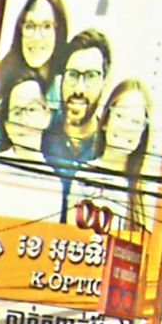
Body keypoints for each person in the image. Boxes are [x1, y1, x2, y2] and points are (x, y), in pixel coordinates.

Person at [42, 29, 112, 222]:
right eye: (72, 75)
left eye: (91, 76)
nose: (79, 89)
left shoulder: (110, 148)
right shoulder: (39, 134)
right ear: (62, 80)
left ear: (105, 82)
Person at [68, 80, 153, 231]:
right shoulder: (84, 176)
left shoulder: (146, 193)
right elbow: (70, 232)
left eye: (135, 121)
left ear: (143, 133)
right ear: (106, 121)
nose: (126, 127)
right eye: (120, 116)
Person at [0, 74, 62, 221]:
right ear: (7, 125)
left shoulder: (53, 181)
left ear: (47, 116)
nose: (23, 120)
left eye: (31, 109)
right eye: (17, 112)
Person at [0, 0, 68, 106]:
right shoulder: (4, 75)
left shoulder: (67, 86)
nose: (36, 37)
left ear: (59, 32)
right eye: (29, 26)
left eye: (47, 26)